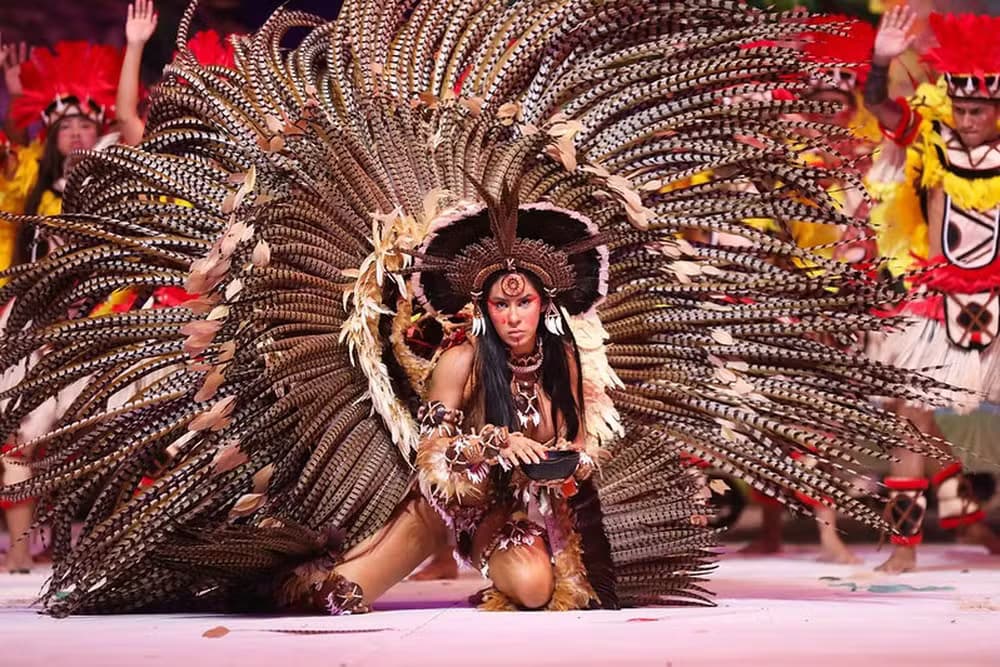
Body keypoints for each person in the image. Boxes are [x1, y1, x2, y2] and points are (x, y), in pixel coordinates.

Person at [0, 0, 951, 616]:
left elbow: (585, 440)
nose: (515, 311)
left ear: (544, 297)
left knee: (538, 588)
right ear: (482, 303)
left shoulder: (574, 353)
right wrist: (478, 452)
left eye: (526, 297)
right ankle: (321, 567)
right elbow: (433, 455)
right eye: (501, 298)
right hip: (433, 499)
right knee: (339, 592)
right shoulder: (454, 356)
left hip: (525, 507)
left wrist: (558, 467)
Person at [863, 5, 1000, 573]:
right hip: (935, 297)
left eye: (980, 110)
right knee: (910, 418)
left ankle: (972, 513)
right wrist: (880, 63)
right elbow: (879, 106)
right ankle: (903, 550)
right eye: (961, 107)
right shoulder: (931, 140)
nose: (968, 118)